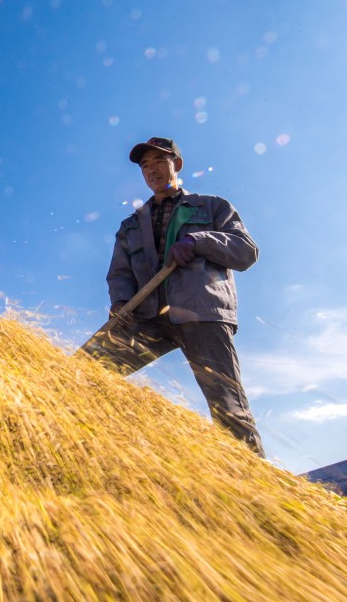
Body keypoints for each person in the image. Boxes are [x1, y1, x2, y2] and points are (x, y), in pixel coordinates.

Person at [85, 136, 265, 457]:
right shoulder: (130, 226)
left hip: (201, 313)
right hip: (148, 316)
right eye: (145, 165)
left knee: (228, 406)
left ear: (176, 165)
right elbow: (120, 274)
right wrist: (121, 303)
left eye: (159, 161)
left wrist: (200, 241)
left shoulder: (211, 207)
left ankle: (257, 485)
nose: (151, 170)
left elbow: (246, 251)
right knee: (86, 370)